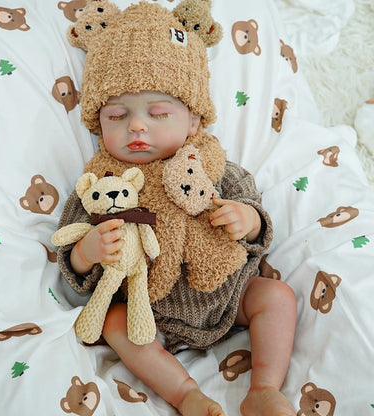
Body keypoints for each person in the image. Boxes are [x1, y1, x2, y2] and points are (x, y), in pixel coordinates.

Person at [56, 3, 297, 416]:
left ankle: (264, 388)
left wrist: (248, 220)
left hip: (227, 295)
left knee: (276, 296)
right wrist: (88, 251)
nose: (136, 126)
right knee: (114, 324)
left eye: (158, 113)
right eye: (117, 115)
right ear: (99, 126)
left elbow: (258, 220)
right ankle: (186, 394)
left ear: (193, 122)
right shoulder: (101, 185)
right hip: (147, 311)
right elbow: (71, 255)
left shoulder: (215, 167)